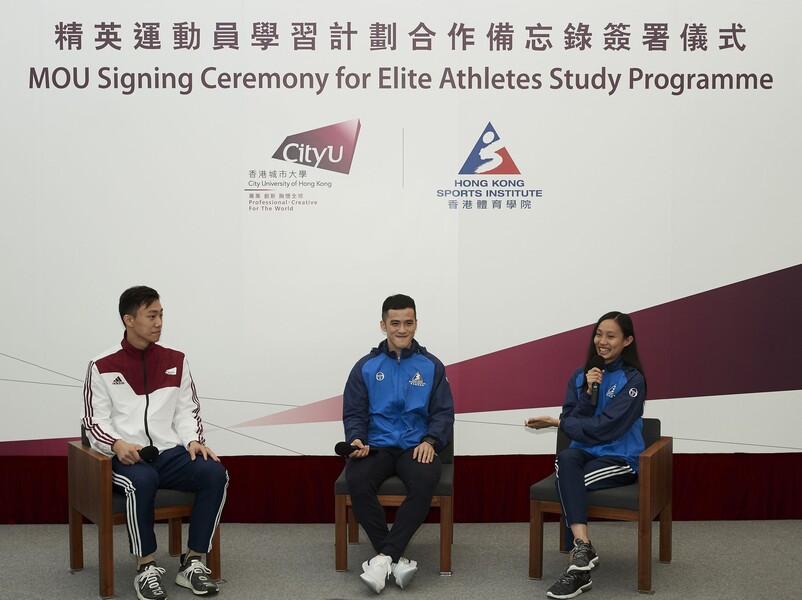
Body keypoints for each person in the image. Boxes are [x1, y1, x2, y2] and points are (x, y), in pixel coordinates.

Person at [82, 286, 229, 600]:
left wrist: (193, 439)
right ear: (129, 320)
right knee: (142, 481)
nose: (159, 321)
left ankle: (192, 561)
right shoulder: (102, 365)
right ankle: (145, 566)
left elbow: (187, 409)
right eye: (151, 315)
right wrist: (118, 444)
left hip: (168, 451)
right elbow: (95, 422)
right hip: (124, 456)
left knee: (215, 473)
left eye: (161, 314)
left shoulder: (176, 359)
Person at [525, 311, 646, 600]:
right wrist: (588, 393)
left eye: (611, 336)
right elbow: (574, 419)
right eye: (599, 334)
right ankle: (582, 549)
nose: (602, 341)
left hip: (620, 458)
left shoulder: (633, 380)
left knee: (566, 482)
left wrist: (557, 422)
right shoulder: (582, 375)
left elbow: (606, 428)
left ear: (627, 340)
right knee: (566, 460)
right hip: (584, 452)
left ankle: (578, 563)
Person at [342, 294, 455, 594]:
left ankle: (382, 559)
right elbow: (354, 412)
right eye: (395, 323)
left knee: (424, 479)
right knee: (357, 477)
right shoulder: (365, 366)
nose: (402, 329)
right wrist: (356, 439)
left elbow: (443, 413)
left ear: (416, 324)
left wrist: (431, 440)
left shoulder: (432, 366)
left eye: (408, 323)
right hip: (376, 445)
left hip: (415, 445)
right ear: (383, 325)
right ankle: (393, 558)